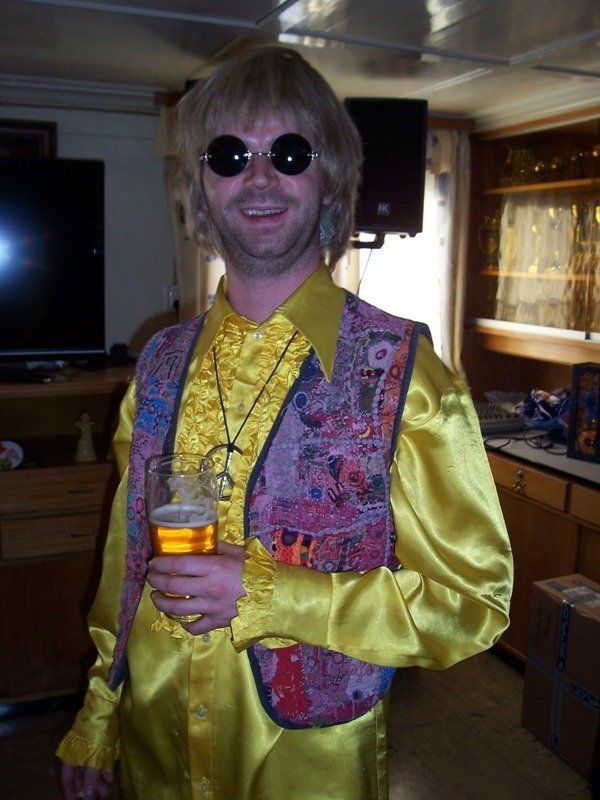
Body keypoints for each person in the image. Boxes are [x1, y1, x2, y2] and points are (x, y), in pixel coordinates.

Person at [57, 46, 513, 800]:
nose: (260, 177)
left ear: (329, 177)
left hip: (303, 770)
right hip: (154, 754)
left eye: (290, 153)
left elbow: (473, 602)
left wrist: (272, 596)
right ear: (202, 186)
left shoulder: (408, 376)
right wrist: (99, 717)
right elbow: (125, 564)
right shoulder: (160, 364)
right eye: (230, 155)